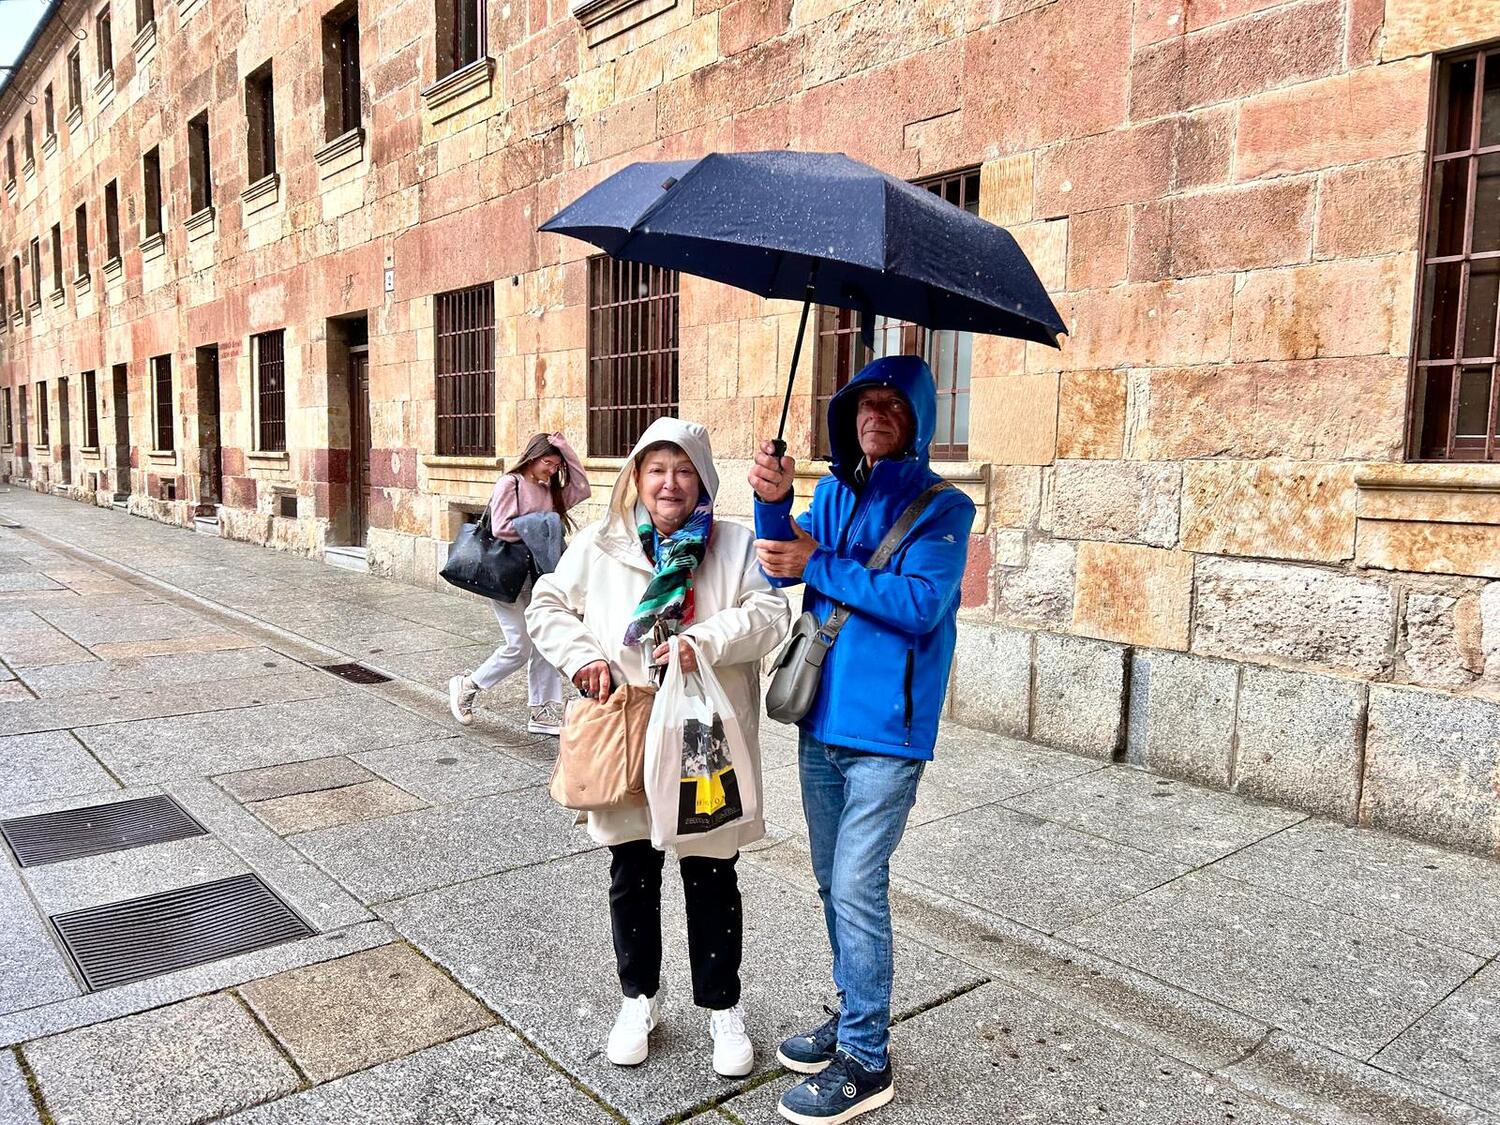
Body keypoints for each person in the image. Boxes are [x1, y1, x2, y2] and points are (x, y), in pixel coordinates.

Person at [748, 355, 975, 1125]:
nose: (876, 413)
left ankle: (867, 1059)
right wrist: (773, 503)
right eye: (864, 402)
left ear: (918, 419)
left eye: (893, 403)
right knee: (829, 880)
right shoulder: (834, 493)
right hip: (821, 720)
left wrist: (822, 562)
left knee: (855, 883)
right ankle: (852, 1016)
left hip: (888, 734)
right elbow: (781, 566)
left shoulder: (945, 507)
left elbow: (920, 602)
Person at [528, 417, 789, 1077]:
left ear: (703, 479)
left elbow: (770, 616)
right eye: (657, 469)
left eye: (684, 470)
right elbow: (546, 606)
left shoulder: (735, 544)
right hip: (627, 725)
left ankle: (722, 1006)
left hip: (703, 733)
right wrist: (584, 658)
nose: (670, 483)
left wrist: (704, 641)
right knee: (632, 868)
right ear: (636, 478)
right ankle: (639, 997)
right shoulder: (602, 543)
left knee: (711, 871)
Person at [448, 431, 590, 736]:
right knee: (519, 646)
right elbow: (501, 528)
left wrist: (567, 451)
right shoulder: (509, 483)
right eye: (548, 463)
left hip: (540, 575)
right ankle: (468, 684)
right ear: (533, 457)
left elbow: (582, 488)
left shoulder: (549, 490)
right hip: (508, 576)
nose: (552, 470)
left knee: (545, 640)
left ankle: (542, 710)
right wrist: (544, 523)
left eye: (556, 466)